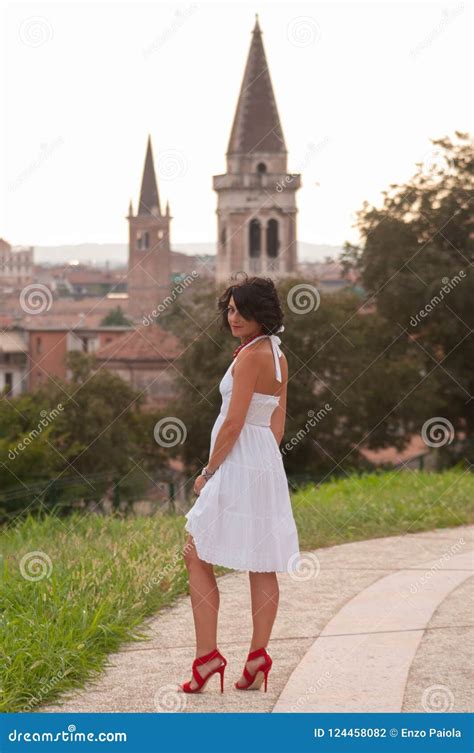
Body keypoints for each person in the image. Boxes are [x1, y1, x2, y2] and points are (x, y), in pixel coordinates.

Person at [180, 275, 301, 694]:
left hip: (234, 462)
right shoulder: (279, 357)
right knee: (262, 560)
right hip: (264, 460)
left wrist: (209, 472)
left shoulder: (250, 357)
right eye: (229, 309)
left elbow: (232, 422)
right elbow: (277, 425)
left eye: (240, 309)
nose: (232, 316)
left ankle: (207, 657)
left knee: (195, 551)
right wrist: (260, 460)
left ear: (259, 313)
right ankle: (257, 656)